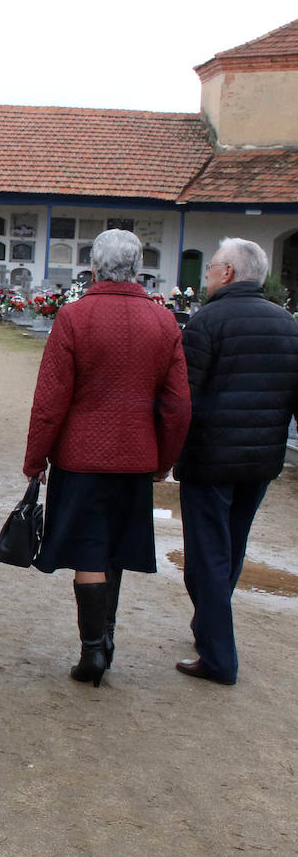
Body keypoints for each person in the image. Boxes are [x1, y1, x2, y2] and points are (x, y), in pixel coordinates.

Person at [21, 229, 191, 687]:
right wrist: (163, 461)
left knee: (91, 551)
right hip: (136, 457)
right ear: (138, 269)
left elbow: (51, 400)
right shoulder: (164, 323)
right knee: (112, 548)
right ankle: (106, 638)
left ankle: (93, 650)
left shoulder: (74, 318)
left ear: (93, 268)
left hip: (81, 458)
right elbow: (178, 405)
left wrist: (36, 458)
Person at [172, 238, 298, 685]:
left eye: (210, 268)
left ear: (227, 273)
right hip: (260, 461)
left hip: (210, 458)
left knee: (207, 557)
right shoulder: (287, 323)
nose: (205, 275)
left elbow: (183, 396)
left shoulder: (206, 322)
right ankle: (209, 626)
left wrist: (168, 451)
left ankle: (219, 660)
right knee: (232, 547)